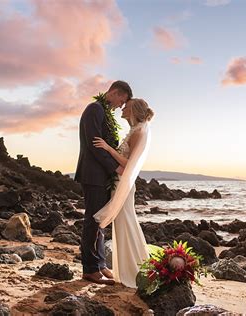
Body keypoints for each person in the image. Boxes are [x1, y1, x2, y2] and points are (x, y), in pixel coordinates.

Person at [74, 80, 132, 285]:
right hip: (93, 175)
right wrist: (116, 168)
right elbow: (94, 145)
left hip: (102, 177)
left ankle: (99, 264)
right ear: (115, 92)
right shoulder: (94, 109)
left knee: (102, 219)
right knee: (93, 220)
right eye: (121, 101)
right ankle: (90, 269)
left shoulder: (103, 111)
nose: (120, 106)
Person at [93, 98, 154, 288]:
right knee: (124, 223)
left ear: (133, 110)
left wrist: (108, 148)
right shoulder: (136, 130)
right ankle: (130, 270)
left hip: (122, 182)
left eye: (126, 106)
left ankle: (134, 271)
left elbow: (129, 164)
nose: (123, 107)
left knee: (126, 222)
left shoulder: (138, 132)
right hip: (120, 181)